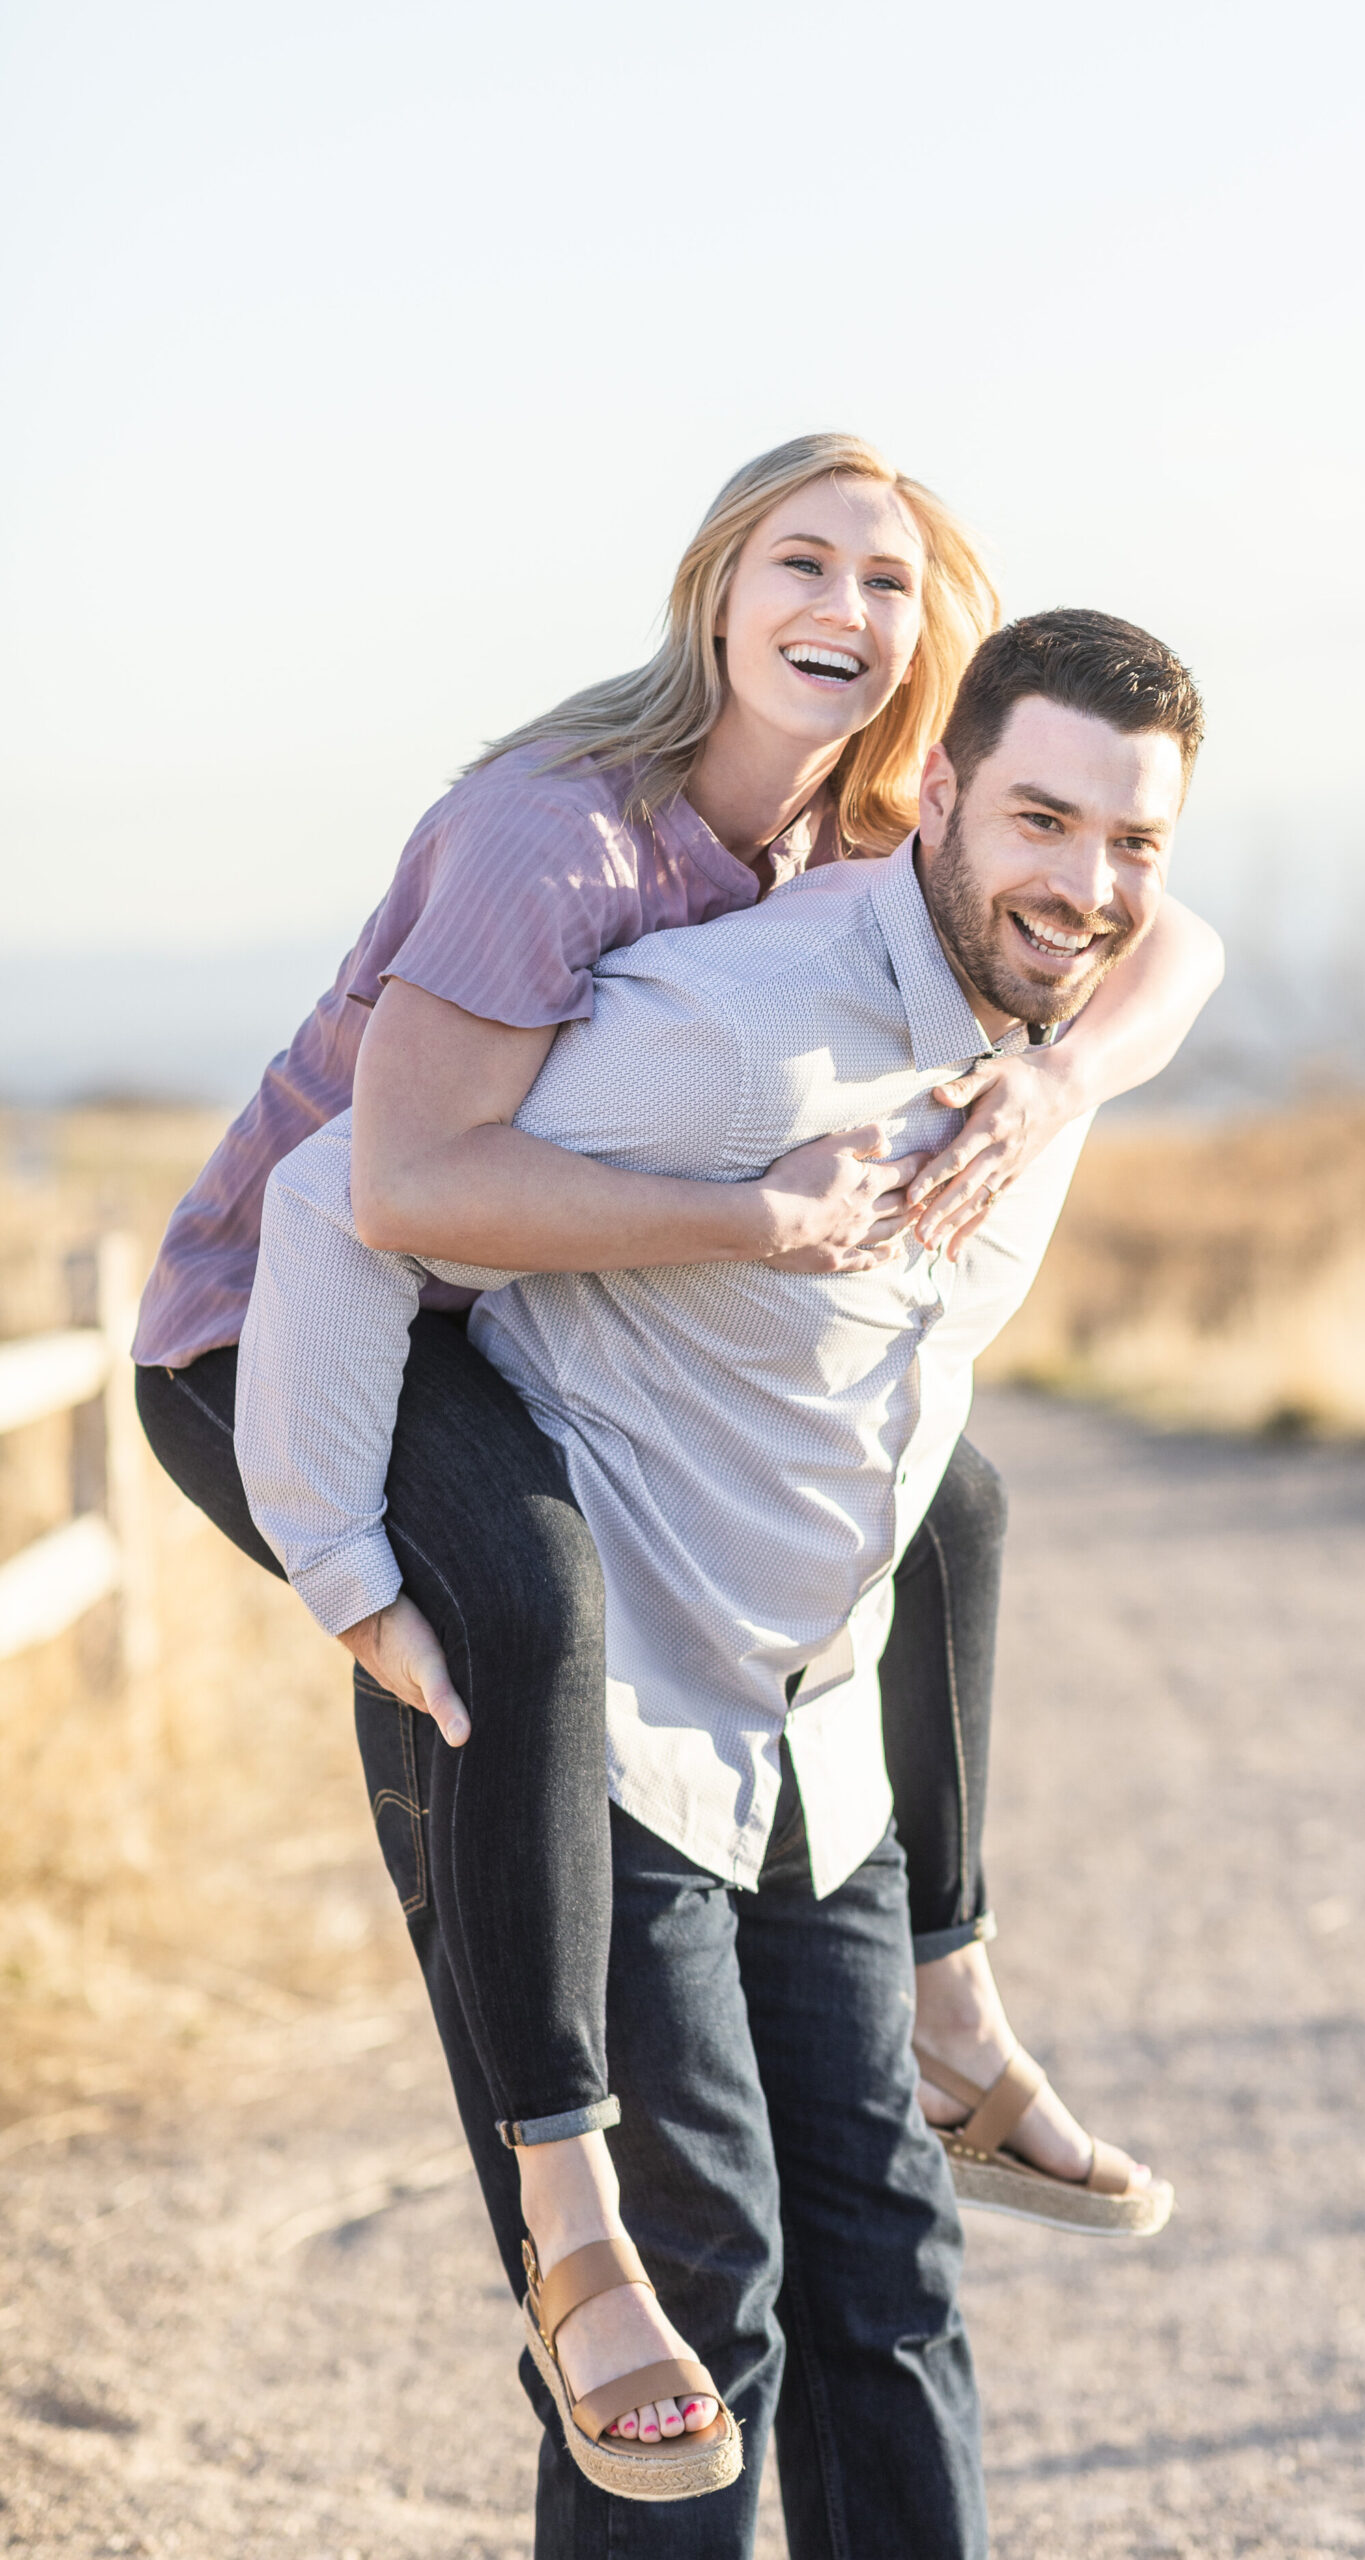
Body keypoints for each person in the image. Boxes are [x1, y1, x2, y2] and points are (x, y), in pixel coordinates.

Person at [132, 437, 1222, 2473]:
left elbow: (1166, 940)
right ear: (712, 592)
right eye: (799, 559)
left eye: (888, 579)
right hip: (268, 1326)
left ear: (932, 639)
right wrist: (754, 1222)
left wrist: (1054, 1084)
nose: (845, 605)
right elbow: (377, 1188)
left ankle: (951, 2000)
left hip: (487, 1299)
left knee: (952, 1500)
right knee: (532, 1602)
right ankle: (567, 2215)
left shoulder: (880, 826)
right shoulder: (554, 837)